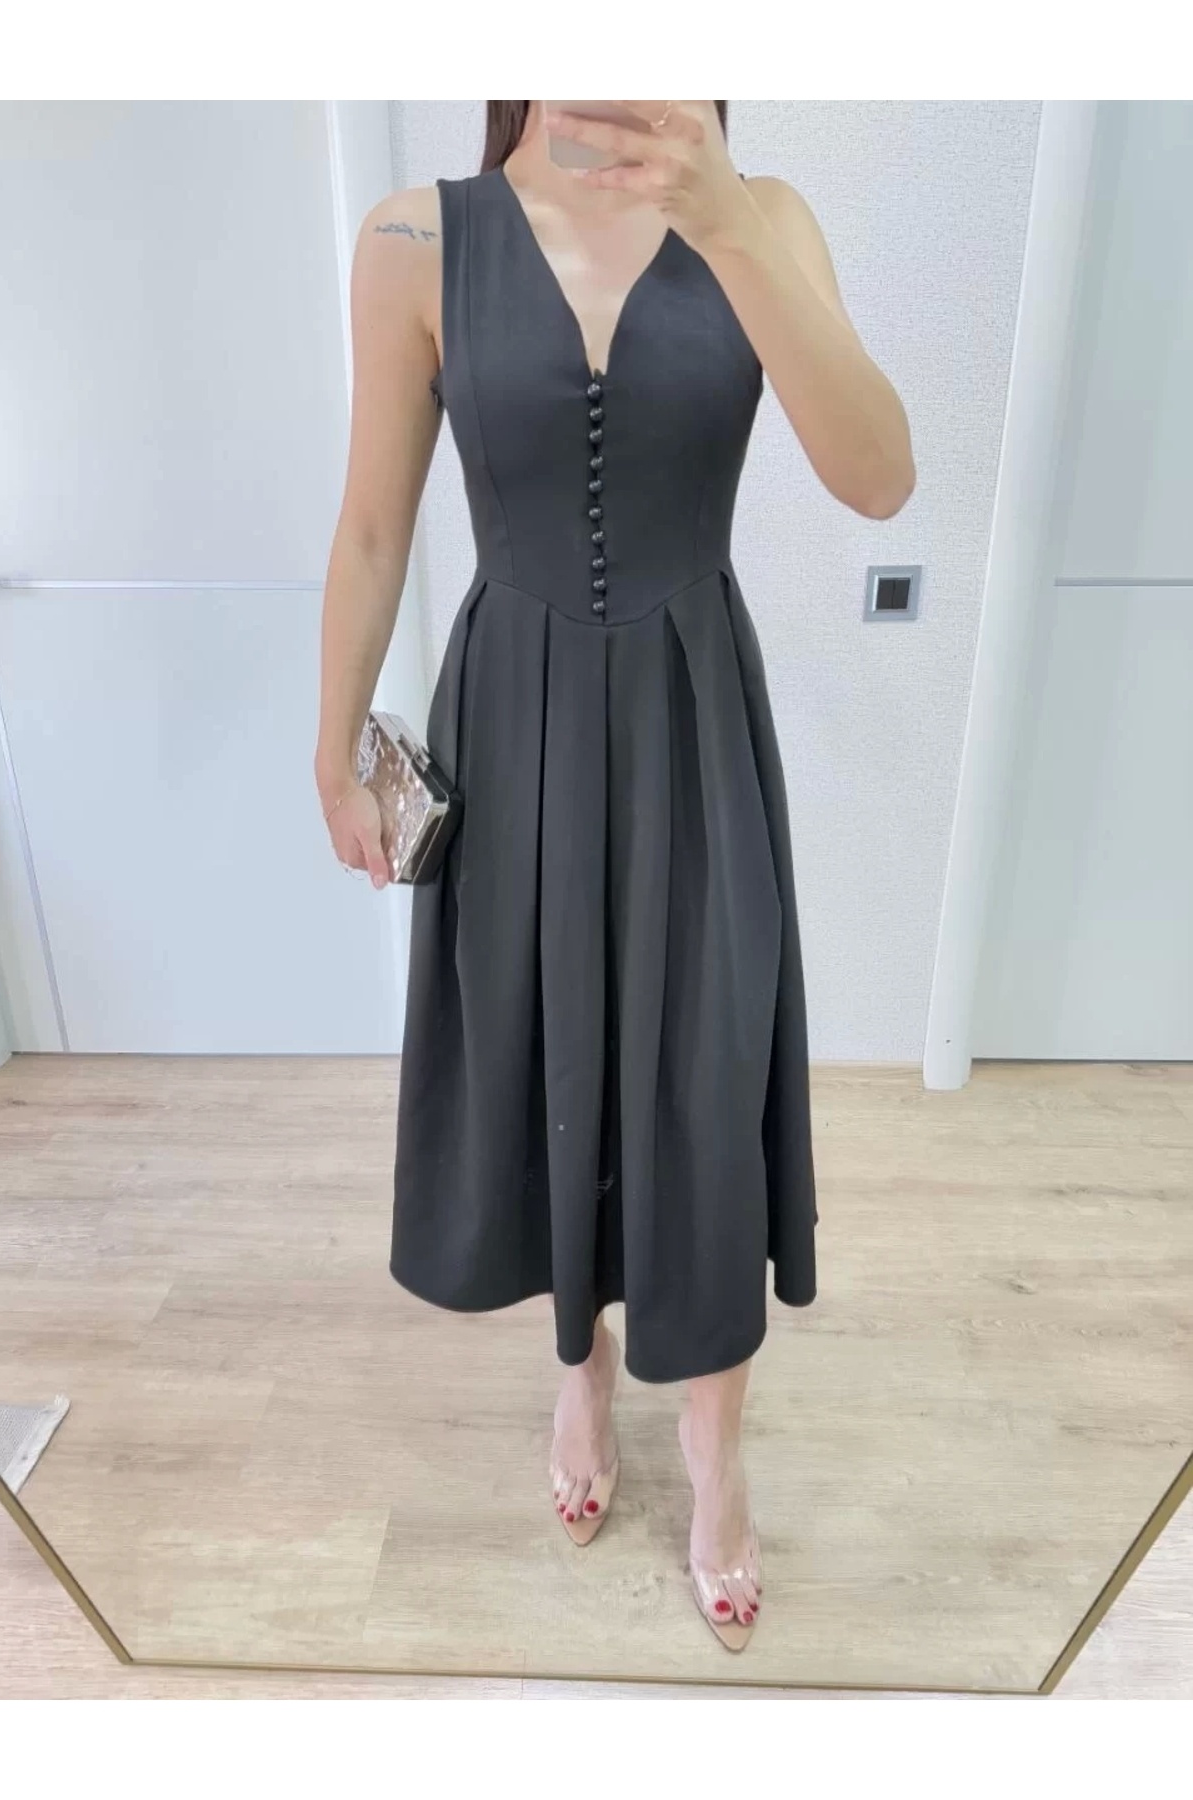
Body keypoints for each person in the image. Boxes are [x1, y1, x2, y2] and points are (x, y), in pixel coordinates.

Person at [316, 99, 915, 1651]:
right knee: (542, 1056)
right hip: (507, 720)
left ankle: (716, 1444)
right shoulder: (414, 237)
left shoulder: (767, 215)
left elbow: (879, 477)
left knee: (702, 1072)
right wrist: (333, 747)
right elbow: (374, 524)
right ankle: (576, 1363)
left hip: (689, 718)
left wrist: (726, 223)